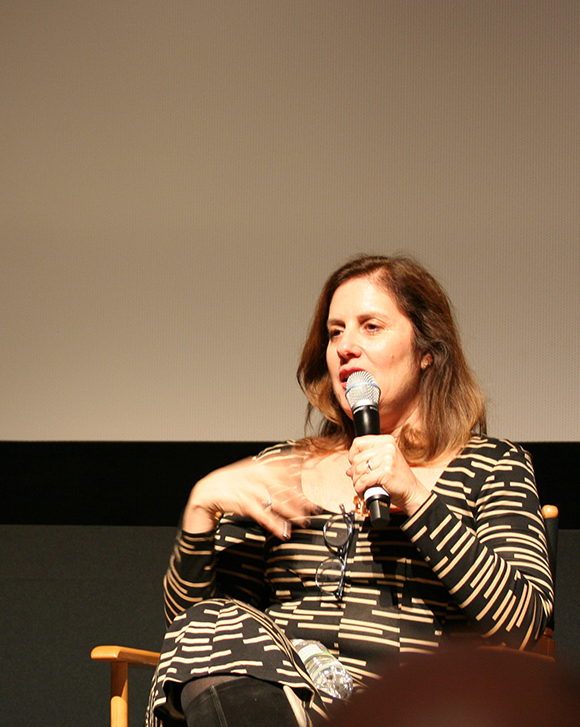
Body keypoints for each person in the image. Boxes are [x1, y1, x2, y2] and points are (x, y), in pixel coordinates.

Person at [147, 254, 553, 726]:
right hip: (281, 698)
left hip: (413, 704)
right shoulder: (279, 470)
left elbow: (521, 624)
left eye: (370, 327)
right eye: (335, 332)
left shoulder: (491, 464)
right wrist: (200, 509)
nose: (346, 347)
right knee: (212, 627)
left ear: (426, 350)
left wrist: (416, 497)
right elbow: (194, 636)